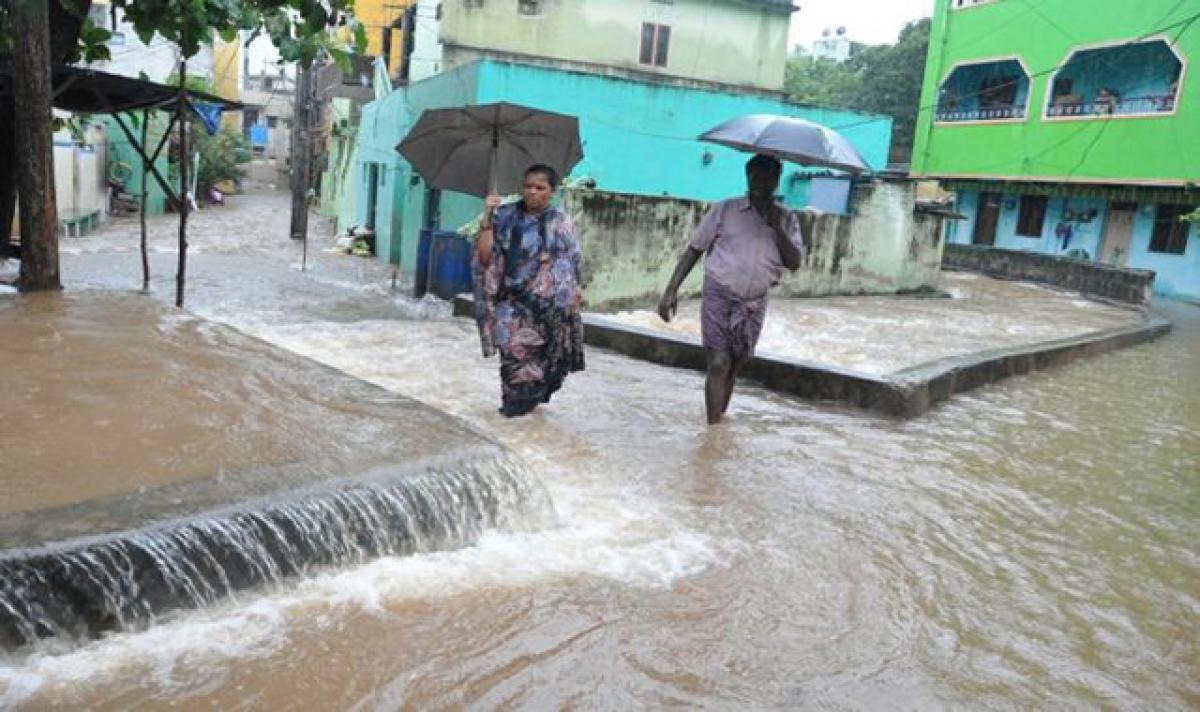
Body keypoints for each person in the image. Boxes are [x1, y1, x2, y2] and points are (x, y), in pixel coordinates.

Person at [657, 154, 807, 425]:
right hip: (719, 294)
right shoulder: (725, 210)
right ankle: (713, 431)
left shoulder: (787, 219)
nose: (761, 182)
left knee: (734, 364)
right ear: (747, 178)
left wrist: (777, 228)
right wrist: (671, 290)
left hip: (754, 302)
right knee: (718, 363)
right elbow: (694, 249)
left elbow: (794, 262)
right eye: (756, 176)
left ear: (776, 181)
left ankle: (719, 420)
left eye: (767, 177)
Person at [473, 164, 585, 417]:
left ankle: (526, 431)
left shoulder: (561, 222)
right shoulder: (504, 216)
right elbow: (484, 258)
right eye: (528, 186)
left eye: (540, 187)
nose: (532, 192)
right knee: (514, 368)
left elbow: (573, 264)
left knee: (542, 371)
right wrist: (487, 216)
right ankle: (511, 420)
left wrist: (573, 298)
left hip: (548, 312)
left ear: (552, 192)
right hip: (511, 308)